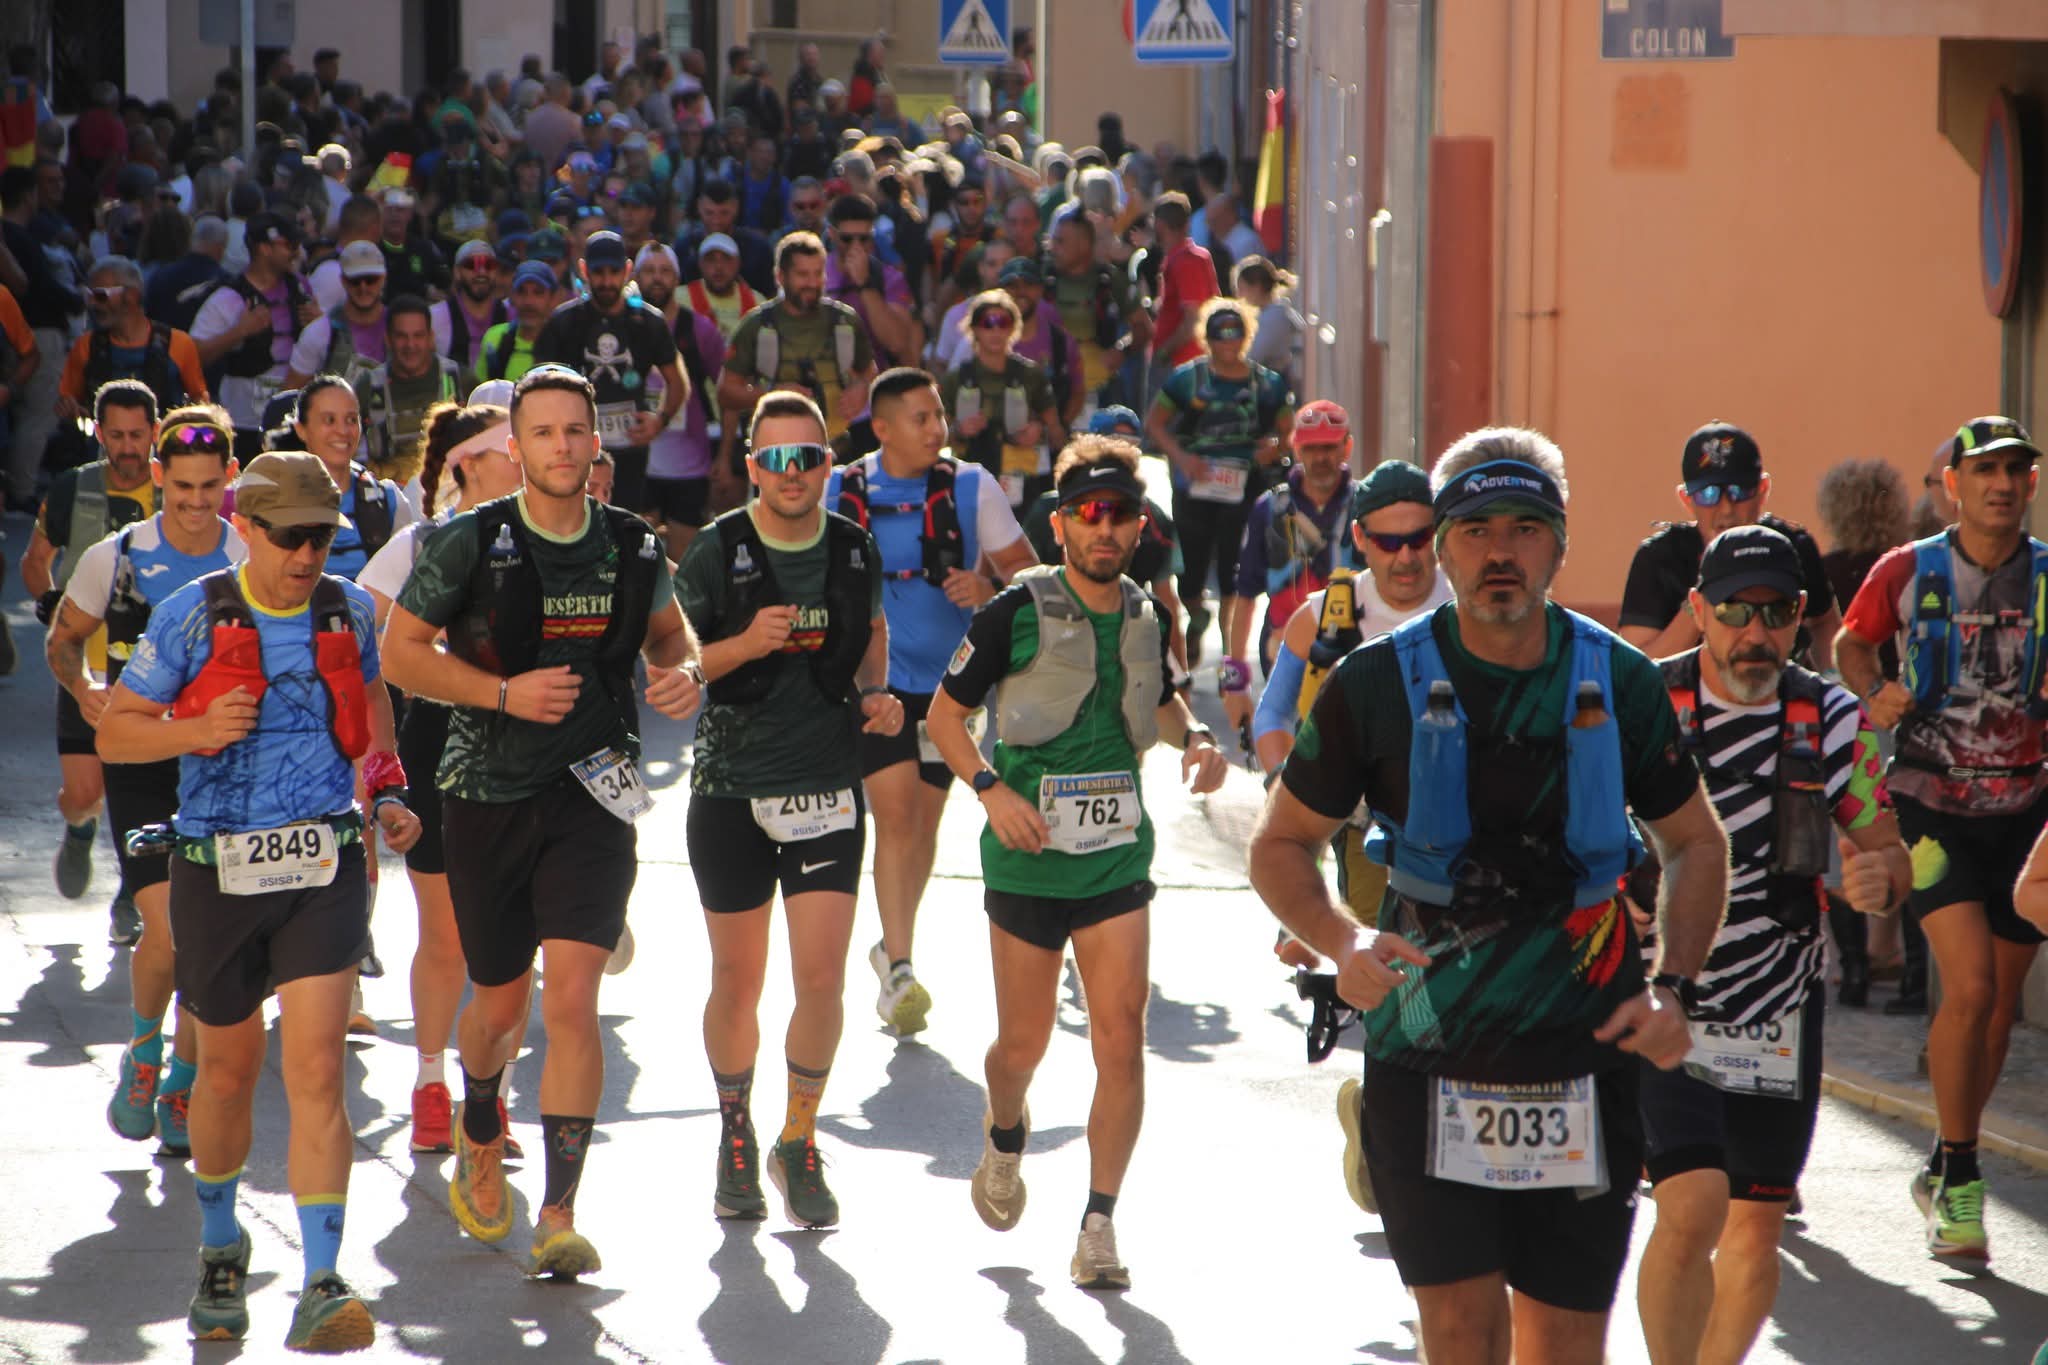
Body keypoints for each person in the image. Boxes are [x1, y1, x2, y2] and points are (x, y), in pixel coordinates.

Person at [1247, 427, 1728, 1364]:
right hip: (1427, 1055)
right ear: (1442, 546)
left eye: (1523, 528)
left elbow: (1696, 840)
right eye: (1474, 530)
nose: (1499, 551)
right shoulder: (1375, 682)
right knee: (1463, 1333)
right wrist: (1342, 940)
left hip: (1586, 1056)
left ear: (1560, 544)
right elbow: (1280, 841)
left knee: (1564, 1343)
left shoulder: (1619, 681)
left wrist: (1676, 984)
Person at [381, 364, 702, 1278]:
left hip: (595, 796)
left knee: (572, 998)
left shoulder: (633, 544)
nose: (562, 446)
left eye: (575, 431)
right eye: (543, 432)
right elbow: (400, 654)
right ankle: (481, 1113)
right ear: (516, 448)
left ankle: (559, 1211)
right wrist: (501, 693)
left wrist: (685, 673)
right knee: (500, 1005)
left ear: (598, 443)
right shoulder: (470, 542)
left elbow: (671, 635)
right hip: (486, 794)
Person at [98, 445, 421, 1352]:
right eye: (290, 536)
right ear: (246, 528)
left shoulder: (348, 608)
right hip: (218, 871)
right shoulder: (191, 614)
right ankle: (219, 1244)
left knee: (317, 1070)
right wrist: (194, 727)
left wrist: (387, 791)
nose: (308, 553)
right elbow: (118, 732)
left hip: (324, 864)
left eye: (321, 535)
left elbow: (372, 703)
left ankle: (321, 1277)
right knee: (229, 1074)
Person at [926, 434, 1228, 1289]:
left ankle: (1099, 1222)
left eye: (1120, 514)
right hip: (1027, 859)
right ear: (1060, 523)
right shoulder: (1012, 611)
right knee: (1021, 1044)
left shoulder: (1145, 613)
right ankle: (1005, 1129)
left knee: (1121, 1038)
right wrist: (992, 791)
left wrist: (1197, 738)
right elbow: (944, 718)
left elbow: (1161, 701)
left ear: (1139, 526)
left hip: (1115, 860)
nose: (1105, 528)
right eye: (1089, 513)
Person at [1634, 524, 1911, 1365]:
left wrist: (1880, 882)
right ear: (1698, 610)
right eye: (1734, 611)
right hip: (1666, 995)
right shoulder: (1644, 703)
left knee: (1754, 1225)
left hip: (1778, 1004)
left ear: (1800, 617)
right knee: (1690, 1206)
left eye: (1777, 612)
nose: (1755, 632)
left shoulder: (1833, 717)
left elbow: (1887, 850)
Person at [675, 390, 898, 1227]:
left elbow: (871, 633)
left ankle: (798, 1137)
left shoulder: (852, 547)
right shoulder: (717, 549)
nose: (791, 472)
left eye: (806, 457)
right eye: (775, 459)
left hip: (825, 786)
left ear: (828, 465)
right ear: (752, 466)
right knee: (737, 981)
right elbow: (673, 657)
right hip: (730, 790)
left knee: (821, 980)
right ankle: (736, 1130)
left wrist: (875, 694)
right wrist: (744, 644)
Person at [1835, 415, 2048, 1263]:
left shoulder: (2047, 574)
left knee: (1997, 1008)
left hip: (2026, 810)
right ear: (1953, 485)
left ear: (2031, 485)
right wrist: (1874, 691)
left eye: (2016, 471)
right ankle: (1962, 1175)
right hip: (1929, 806)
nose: (2002, 485)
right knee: (1968, 988)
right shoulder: (1907, 569)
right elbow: (1852, 643)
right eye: (1985, 471)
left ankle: (1942, 1158)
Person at [1250, 455, 1450, 1216]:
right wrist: (1292, 792)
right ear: (1360, 539)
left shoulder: (1470, 602)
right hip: (1369, 834)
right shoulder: (1327, 615)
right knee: (1403, 982)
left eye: (1420, 539)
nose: (1406, 557)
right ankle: (1392, 1131)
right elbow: (1273, 716)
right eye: (1388, 542)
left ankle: (1385, 1117)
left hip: (1466, 832)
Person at [50, 402, 244, 1160]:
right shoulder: (118, 556)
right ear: (158, 476)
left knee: (203, 938)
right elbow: (64, 640)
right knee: (167, 931)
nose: (195, 503)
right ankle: (143, 1050)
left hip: (224, 768)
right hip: (142, 765)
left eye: (209, 487)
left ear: (230, 479)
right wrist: (85, 688)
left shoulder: (248, 554)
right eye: (181, 487)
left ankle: (182, 1084)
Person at [825, 368, 1038, 1034]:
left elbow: (1030, 576)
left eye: (939, 415)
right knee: (894, 818)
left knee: (922, 826)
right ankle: (900, 969)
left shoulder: (973, 486)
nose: (937, 429)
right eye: (921, 418)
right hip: (876, 685)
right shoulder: (839, 488)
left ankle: (892, 945)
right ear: (882, 428)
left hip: (952, 691)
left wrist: (987, 587)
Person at [357, 398, 530, 1156]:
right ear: (470, 465)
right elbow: (359, 646)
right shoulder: (418, 543)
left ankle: (491, 1101)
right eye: (509, 448)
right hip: (435, 751)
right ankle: (432, 1083)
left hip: (527, 754)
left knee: (513, 944)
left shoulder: (551, 535)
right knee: (448, 935)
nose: (525, 459)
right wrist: (374, 754)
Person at [22, 380, 163, 942]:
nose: (128, 448)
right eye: (117, 436)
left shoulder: (177, 489)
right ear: (99, 432)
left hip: (152, 671)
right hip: (85, 665)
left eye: (137, 435)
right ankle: (80, 830)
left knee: (141, 791)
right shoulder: (71, 487)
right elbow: (36, 561)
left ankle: (131, 895)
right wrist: (54, 607)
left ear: (155, 432)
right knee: (85, 794)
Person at [1813, 456, 1917, 1008]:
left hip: (1841, 716)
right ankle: (1913, 977)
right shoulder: (1904, 568)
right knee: (1902, 840)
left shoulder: (1824, 572)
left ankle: (1853, 972)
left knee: (1842, 849)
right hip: (1896, 711)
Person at [1618, 422, 1840, 669]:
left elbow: (1823, 623)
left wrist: (1831, 678)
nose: (1726, 508)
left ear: (1763, 490)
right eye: (1708, 494)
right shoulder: (1659, 559)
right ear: (1687, 500)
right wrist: (1704, 594)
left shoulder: (1792, 548)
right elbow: (1638, 667)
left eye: (1739, 491)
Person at [1147, 296, 1293, 665]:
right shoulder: (1187, 379)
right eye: (1219, 334)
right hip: (1194, 487)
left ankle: (1230, 654)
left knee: (1235, 569)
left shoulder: (1268, 385)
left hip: (1245, 487)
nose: (1228, 342)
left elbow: (1289, 432)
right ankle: (1196, 616)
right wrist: (1183, 459)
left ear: (1247, 335)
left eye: (1235, 333)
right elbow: (1155, 424)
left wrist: (1274, 450)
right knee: (1190, 571)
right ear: (1206, 338)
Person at [1222, 398, 1361, 724]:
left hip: (1355, 655)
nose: (1321, 458)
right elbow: (1245, 595)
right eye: (1311, 448)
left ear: (1347, 447)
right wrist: (1235, 683)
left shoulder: (1366, 505)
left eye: (1329, 447)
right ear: (1296, 448)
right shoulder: (1269, 509)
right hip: (1283, 653)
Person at [532, 230, 686, 518]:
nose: (606, 281)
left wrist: (660, 421)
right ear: (583, 270)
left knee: (624, 523)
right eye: (598, 272)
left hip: (630, 451)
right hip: (574, 451)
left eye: (613, 272)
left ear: (627, 270)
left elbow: (677, 382)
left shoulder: (648, 322)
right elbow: (537, 386)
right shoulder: (563, 323)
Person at [719, 231, 876, 457]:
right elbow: (726, 392)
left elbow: (869, 372)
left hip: (838, 447)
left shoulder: (845, 321)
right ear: (780, 276)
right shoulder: (757, 325)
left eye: (818, 273)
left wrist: (861, 388)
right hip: (776, 450)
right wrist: (771, 394)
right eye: (802, 274)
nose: (812, 283)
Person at [189, 210, 314, 454]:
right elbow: (193, 356)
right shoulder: (227, 297)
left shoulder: (301, 289)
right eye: (289, 245)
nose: (297, 252)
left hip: (294, 421)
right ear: (264, 249)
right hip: (243, 424)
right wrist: (240, 331)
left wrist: (318, 322)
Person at [633, 242, 728, 559]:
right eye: (649, 271)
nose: (657, 278)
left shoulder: (700, 330)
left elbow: (727, 392)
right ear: (635, 276)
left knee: (685, 561)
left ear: (676, 279)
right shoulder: (622, 327)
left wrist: (724, 455)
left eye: (664, 271)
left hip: (689, 466)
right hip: (637, 462)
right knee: (637, 556)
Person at [940, 288, 1063, 511]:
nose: (996, 330)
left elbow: (1057, 434)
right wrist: (958, 430)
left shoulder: (1031, 376)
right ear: (974, 328)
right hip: (971, 480)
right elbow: (936, 435)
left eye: (1003, 322)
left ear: (1014, 327)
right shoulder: (955, 380)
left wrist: (1038, 432)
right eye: (988, 323)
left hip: (1022, 482)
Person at [58, 255, 207, 416]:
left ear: (132, 296)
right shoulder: (86, 346)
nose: (93, 304)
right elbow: (67, 401)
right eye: (88, 296)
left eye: (100, 295)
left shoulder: (177, 343)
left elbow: (200, 401)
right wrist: (72, 410)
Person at [355, 296, 463, 483]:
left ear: (431, 338)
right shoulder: (367, 387)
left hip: (449, 486)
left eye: (418, 336)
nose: (410, 345)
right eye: (401, 336)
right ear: (388, 339)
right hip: (389, 491)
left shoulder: (460, 379)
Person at [284, 240, 388, 390]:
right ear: (343, 281)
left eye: (371, 280)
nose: (363, 287)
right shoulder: (319, 333)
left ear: (383, 278)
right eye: (355, 281)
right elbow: (289, 393)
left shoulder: (399, 326)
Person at [431, 240, 508, 372]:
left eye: (488, 265)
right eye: (471, 264)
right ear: (457, 272)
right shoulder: (435, 317)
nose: (481, 272)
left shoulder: (512, 315)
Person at [477, 261, 556, 384]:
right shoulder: (494, 339)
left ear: (552, 298)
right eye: (521, 292)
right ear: (512, 296)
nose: (529, 301)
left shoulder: (564, 342)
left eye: (538, 293)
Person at [685, 232, 762, 343]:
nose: (718, 267)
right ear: (700, 264)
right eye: (711, 260)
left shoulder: (758, 303)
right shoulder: (679, 299)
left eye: (726, 259)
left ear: (738, 263)